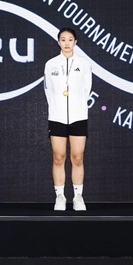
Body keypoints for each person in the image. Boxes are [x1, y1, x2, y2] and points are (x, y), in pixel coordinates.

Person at [44, 28, 92, 211]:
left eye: (70, 39)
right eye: (63, 39)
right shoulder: (50, 64)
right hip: (57, 117)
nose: (66, 43)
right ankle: (60, 197)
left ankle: (78, 197)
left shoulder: (84, 64)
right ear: (58, 42)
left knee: (78, 158)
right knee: (58, 157)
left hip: (78, 117)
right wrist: (57, 107)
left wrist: (77, 105)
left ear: (75, 42)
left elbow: (86, 89)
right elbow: (48, 90)